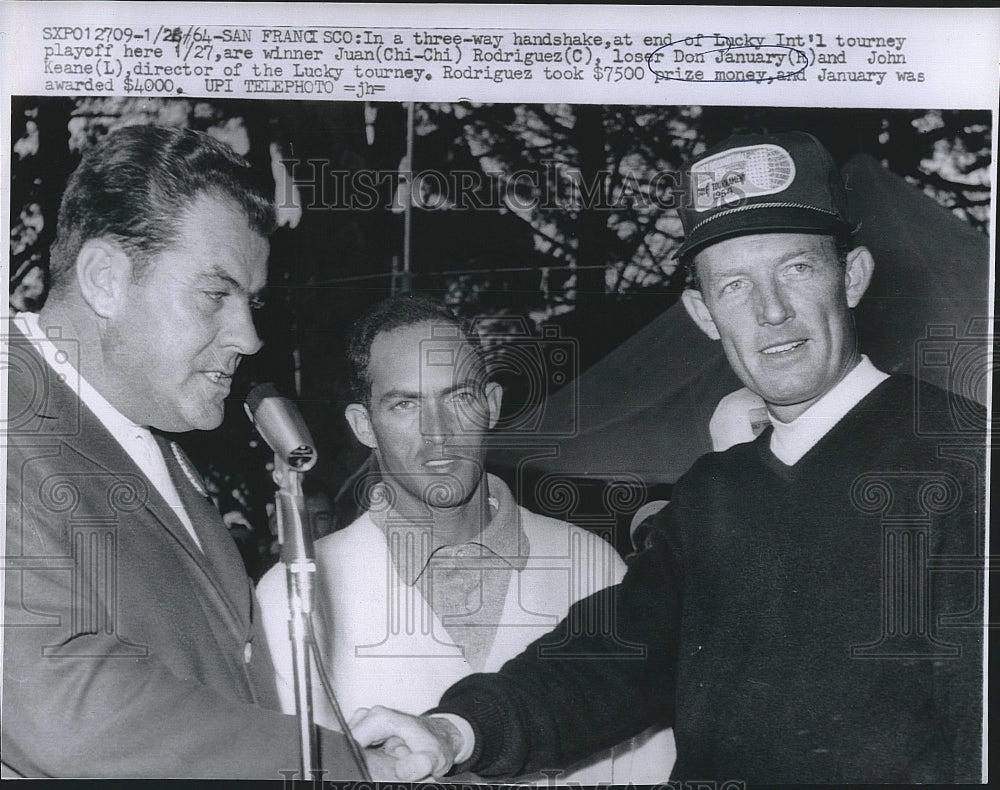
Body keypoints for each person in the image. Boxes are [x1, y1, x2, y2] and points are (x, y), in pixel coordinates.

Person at [349, 132, 986, 783]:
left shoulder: (966, 462)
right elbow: (614, 659)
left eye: (796, 268)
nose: (771, 311)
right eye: (734, 285)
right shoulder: (715, 494)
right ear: (702, 314)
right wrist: (455, 732)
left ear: (852, 275)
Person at [0, 125, 377, 779]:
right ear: (104, 279)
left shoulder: (150, 440)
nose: (250, 336)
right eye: (215, 294)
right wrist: (340, 766)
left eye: (250, 300)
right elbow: (64, 705)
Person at [256, 292, 676, 784]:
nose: (439, 433)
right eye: (406, 404)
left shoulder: (589, 562)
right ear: (363, 426)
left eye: (458, 397)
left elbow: (645, 767)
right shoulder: (297, 593)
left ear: (492, 405)